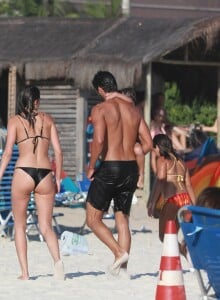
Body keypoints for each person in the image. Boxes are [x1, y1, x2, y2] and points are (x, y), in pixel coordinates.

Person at [0, 86, 64, 280]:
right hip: (45, 174)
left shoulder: (14, 121)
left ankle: (25, 273)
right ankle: (58, 262)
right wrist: (57, 178)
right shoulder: (48, 120)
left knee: (20, 226)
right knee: (46, 226)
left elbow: (7, 153)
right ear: (37, 101)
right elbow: (58, 151)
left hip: (24, 171)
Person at [85, 71, 153, 276]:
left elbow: (97, 141)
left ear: (99, 90)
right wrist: (134, 151)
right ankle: (123, 271)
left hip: (111, 166)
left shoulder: (100, 109)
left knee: (93, 219)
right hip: (131, 168)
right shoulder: (133, 110)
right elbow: (148, 143)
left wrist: (91, 166)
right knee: (122, 219)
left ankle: (118, 252)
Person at [147, 134, 196, 243]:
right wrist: (194, 206)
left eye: (154, 148)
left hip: (173, 200)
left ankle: (183, 251)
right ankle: (183, 251)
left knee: (164, 237)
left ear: (158, 147)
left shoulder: (162, 160)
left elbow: (160, 181)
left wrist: (153, 203)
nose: (154, 152)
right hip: (186, 200)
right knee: (173, 236)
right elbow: (188, 185)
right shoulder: (182, 162)